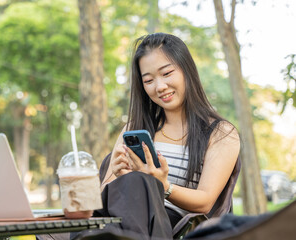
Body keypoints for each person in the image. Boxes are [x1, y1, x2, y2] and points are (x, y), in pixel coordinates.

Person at [93, 32, 240, 239]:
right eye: (149, 80)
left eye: (167, 73)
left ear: (186, 70)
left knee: (140, 185)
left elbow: (206, 200)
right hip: (121, 220)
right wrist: (119, 179)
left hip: (171, 228)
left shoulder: (221, 133)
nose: (160, 86)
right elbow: (101, 198)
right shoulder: (132, 130)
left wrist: (163, 187)